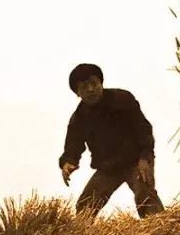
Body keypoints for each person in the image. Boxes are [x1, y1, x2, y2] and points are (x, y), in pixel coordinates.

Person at [59, 63, 164, 218]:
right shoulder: (78, 119)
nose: (90, 90)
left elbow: (143, 129)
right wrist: (68, 162)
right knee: (85, 205)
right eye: (83, 87)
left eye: (93, 83)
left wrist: (145, 157)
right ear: (78, 93)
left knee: (145, 194)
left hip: (136, 160)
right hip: (107, 168)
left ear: (101, 82)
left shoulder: (123, 99)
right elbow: (73, 146)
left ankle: (162, 233)